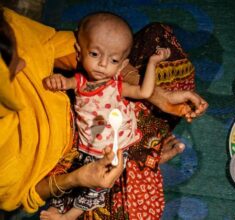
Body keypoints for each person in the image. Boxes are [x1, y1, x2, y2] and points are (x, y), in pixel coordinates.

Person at [0, 6, 207, 217]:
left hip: (108, 129)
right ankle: (144, 157)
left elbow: (61, 46)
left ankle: (144, 154)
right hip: (71, 165)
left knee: (159, 38)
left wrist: (158, 96)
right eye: (9, 67)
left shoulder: (6, 24)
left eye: (16, 51)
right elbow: (24, 195)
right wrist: (77, 178)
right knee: (130, 210)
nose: (23, 64)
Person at [40, 12, 171, 220]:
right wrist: (56, 81)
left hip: (121, 147)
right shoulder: (81, 82)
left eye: (113, 60)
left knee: (96, 191)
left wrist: (153, 63)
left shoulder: (118, 86)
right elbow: (63, 83)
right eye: (94, 54)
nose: (102, 64)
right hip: (88, 148)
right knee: (70, 175)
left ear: (121, 65)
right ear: (79, 52)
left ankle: (70, 216)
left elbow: (144, 93)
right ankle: (57, 208)